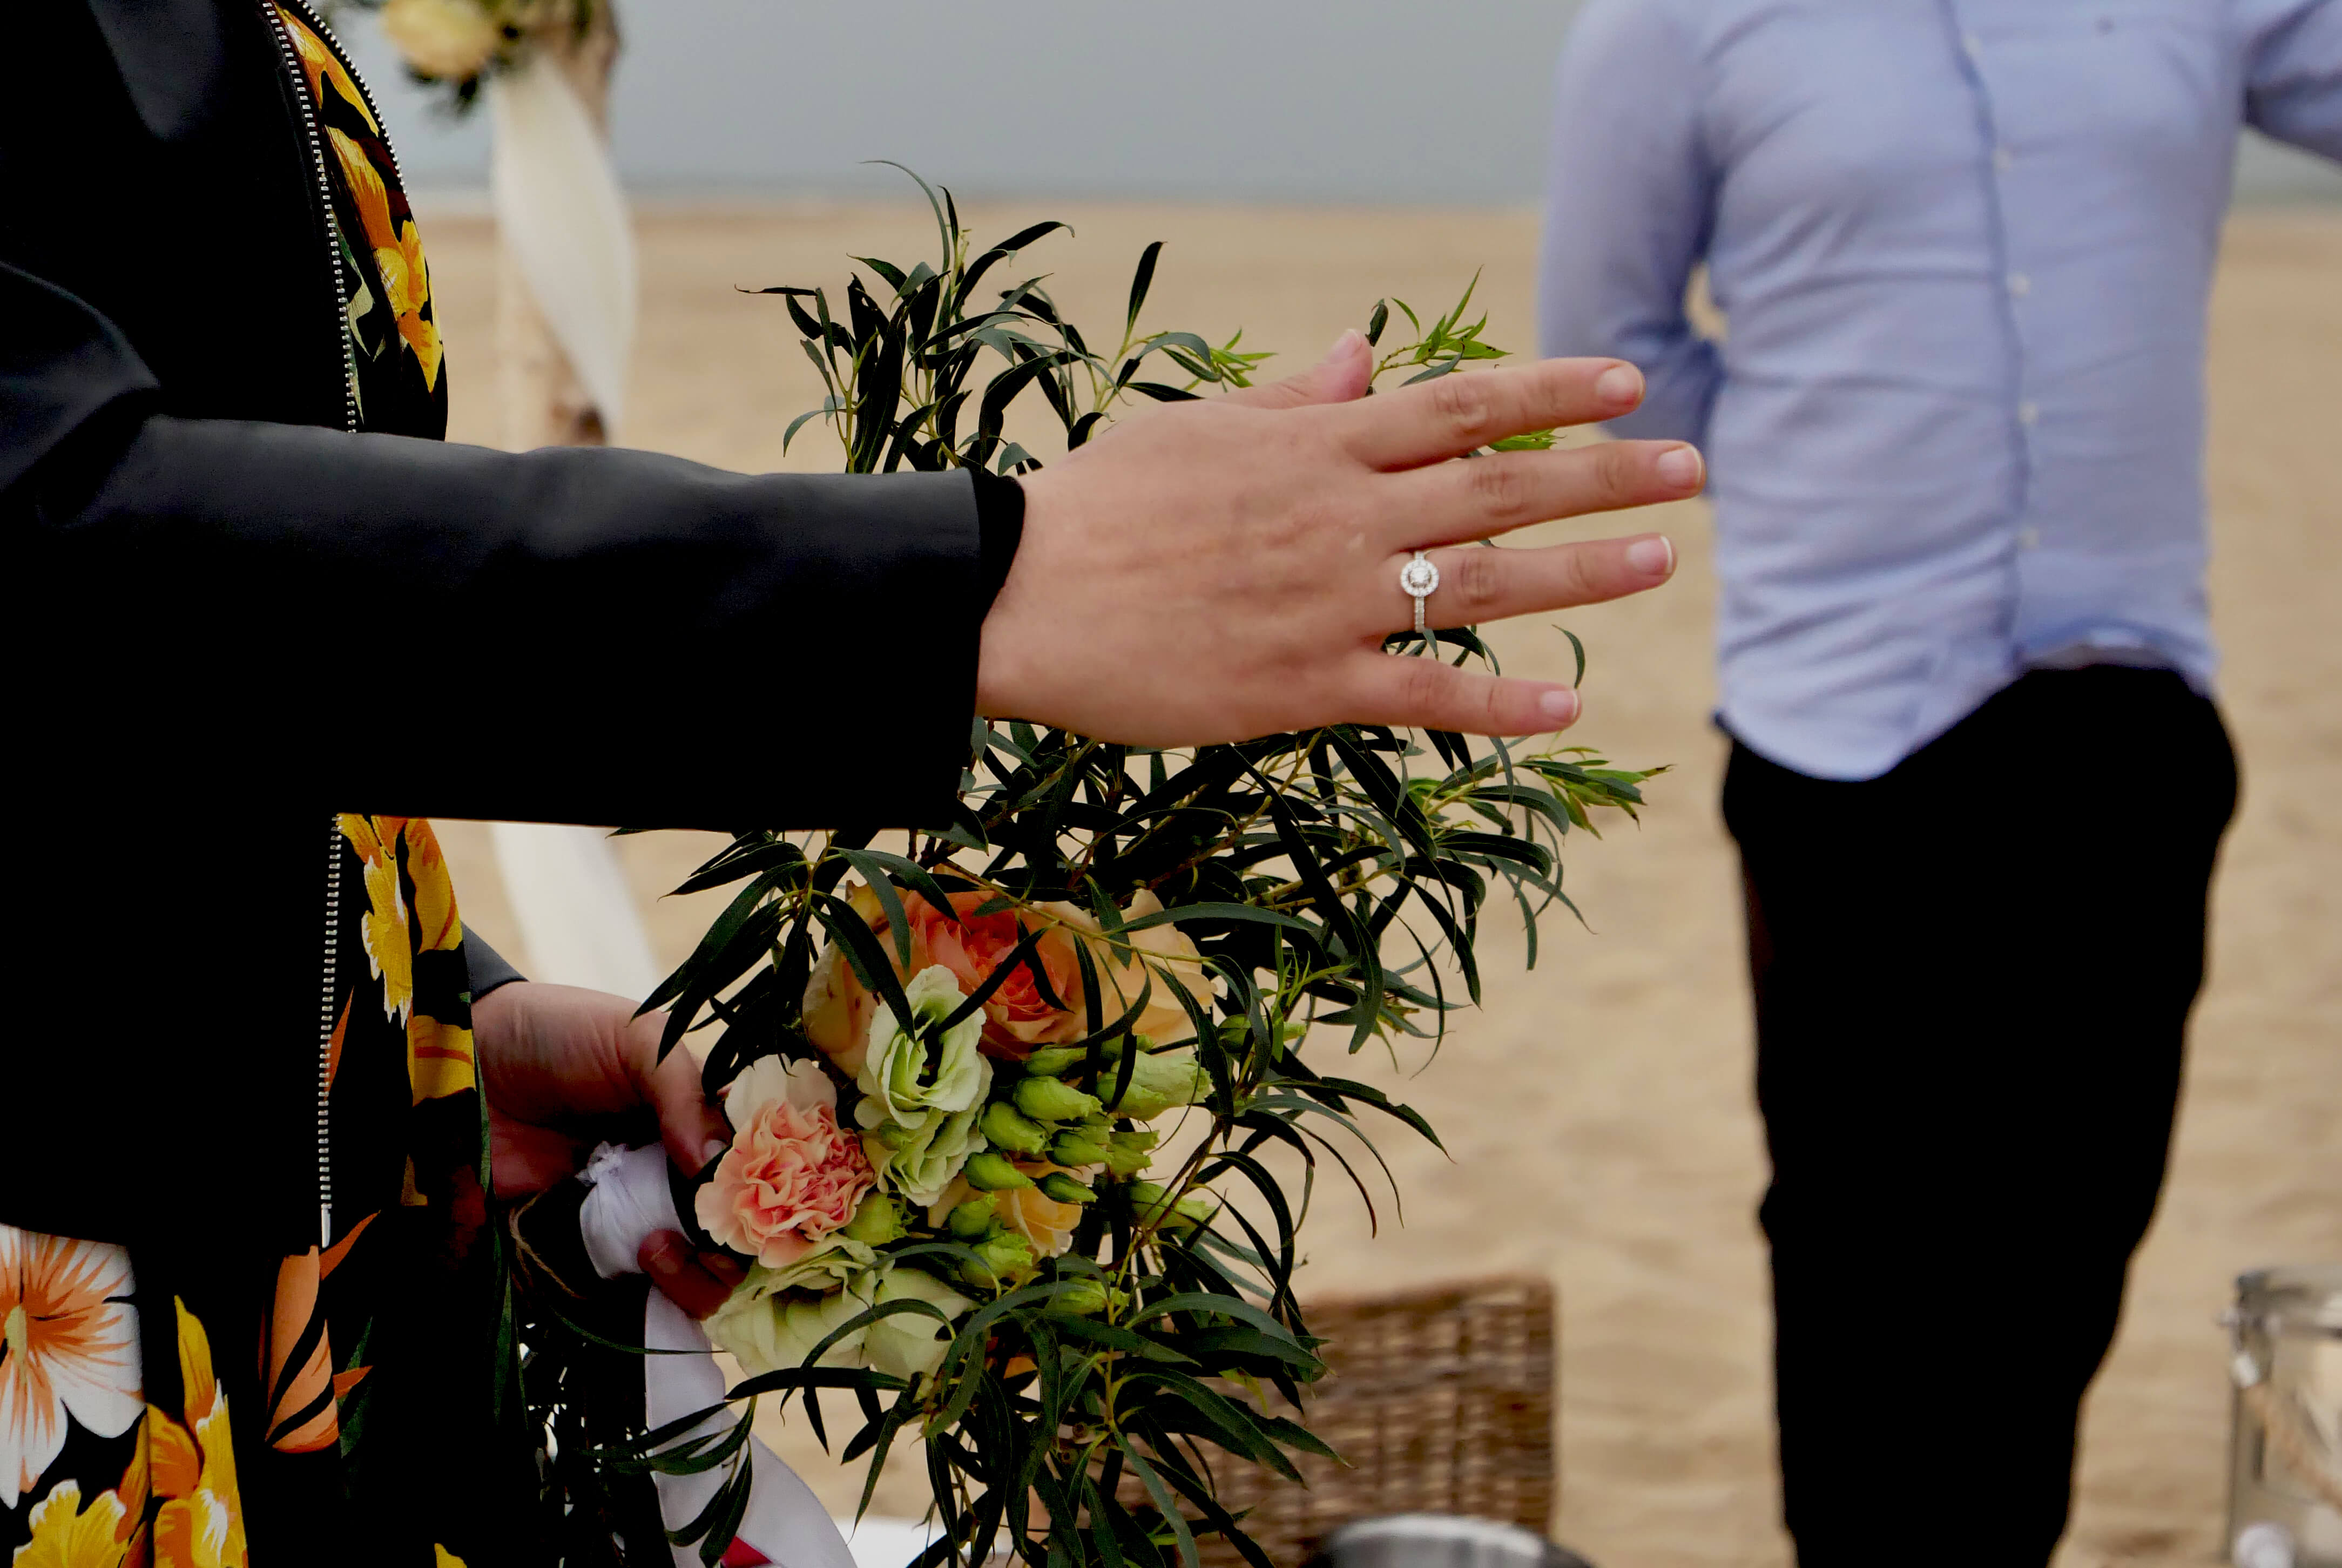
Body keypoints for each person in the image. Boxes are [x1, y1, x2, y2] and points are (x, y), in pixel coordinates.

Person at [0, 3, 1706, 1558]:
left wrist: (424, 1020)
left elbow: (178, 715)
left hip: (303, 1305)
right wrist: (984, 581)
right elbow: (56, 549)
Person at [1537, 0, 2342, 1561]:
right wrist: (1834, 446)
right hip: (1848, 732)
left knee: (2068, 1252)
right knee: (1866, 1251)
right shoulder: (1675, 21)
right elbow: (1615, 356)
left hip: (2129, 721)